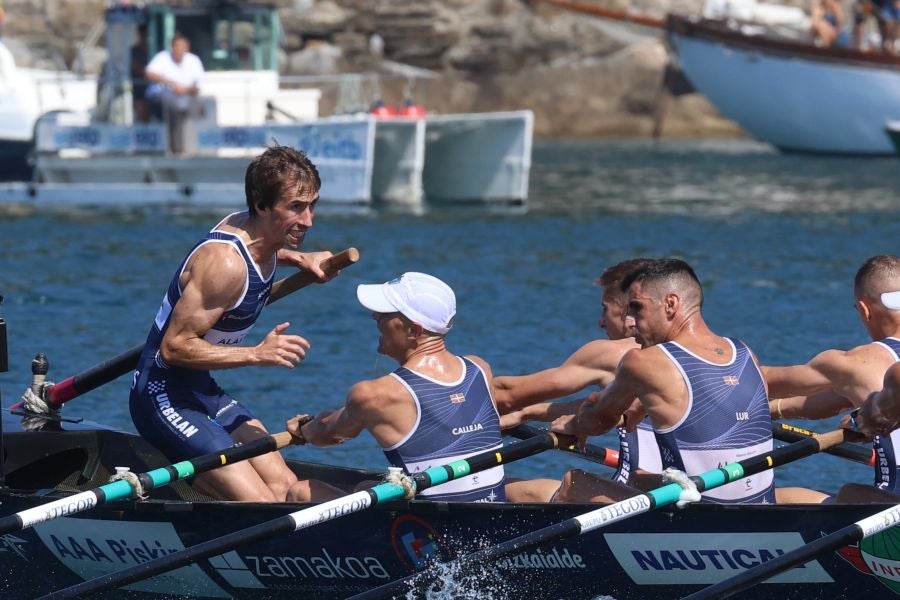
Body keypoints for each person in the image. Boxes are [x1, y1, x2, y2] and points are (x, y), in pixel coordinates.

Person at [129, 146, 342, 502]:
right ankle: (200, 492)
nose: (308, 221)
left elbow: (264, 248)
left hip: (201, 388)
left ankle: (215, 489)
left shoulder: (258, 231)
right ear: (261, 205)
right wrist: (257, 354)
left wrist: (301, 259)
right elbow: (174, 348)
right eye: (295, 207)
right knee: (261, 504)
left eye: (312, 205)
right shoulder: (225, 266)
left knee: (285, 487)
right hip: (161, 397)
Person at [552, 258, 777, 504]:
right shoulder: (746, 354)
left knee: (574, 483)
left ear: (670, 304)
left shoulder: (643, 361)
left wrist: (574, 424)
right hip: (761, 507)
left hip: (698, 517)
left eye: (637, 308)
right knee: (638, 479)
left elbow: (598, 421)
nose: (631, 321)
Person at [286, 272, 508, 503]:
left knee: (301, 491)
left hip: (432, 523)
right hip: (492, 508)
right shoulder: (479, 369)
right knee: (365, 486)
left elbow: (325, 434)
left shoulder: (372, 395)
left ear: (414, 331)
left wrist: (305, 428)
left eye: (385, 314)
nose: (375, 317)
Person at [493, 258, 662, 502]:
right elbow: (610, 405)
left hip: (644, 500)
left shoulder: (613, 354)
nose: (601, 321)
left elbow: (508, 394)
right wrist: (527, 414)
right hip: (682, 489)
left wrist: (451, 395)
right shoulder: (690, 355)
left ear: (630, 311)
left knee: (514, 488)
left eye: (605, 309)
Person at [765, 254, 900, 501]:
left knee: (848, 493)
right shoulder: (867, 383)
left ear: (864, 310)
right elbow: (828, 401)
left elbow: (762, 380)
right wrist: (769, 411)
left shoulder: (855, 363)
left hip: (891, 513)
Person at [145, 32, 204, 153]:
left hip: (186, 97)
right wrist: (171, 83)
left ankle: (190, 145)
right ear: (172, 47)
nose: (180, 50)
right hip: (162, 97)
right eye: (177, 46)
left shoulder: (194, 60)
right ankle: (175, 147)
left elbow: (197, 86)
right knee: (172, 107)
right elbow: (149, 73)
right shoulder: (162, 57)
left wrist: (185, 90)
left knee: (196, 106)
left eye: (183, 47)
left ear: (187, 48)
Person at [130, 24, 151, 123]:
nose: (145, 37)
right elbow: (134, 65)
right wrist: (148, 74)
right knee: (141, 108)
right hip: (139, 86)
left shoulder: (154, 49)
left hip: (152, 86)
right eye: (143, 35)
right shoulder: (134, 51)